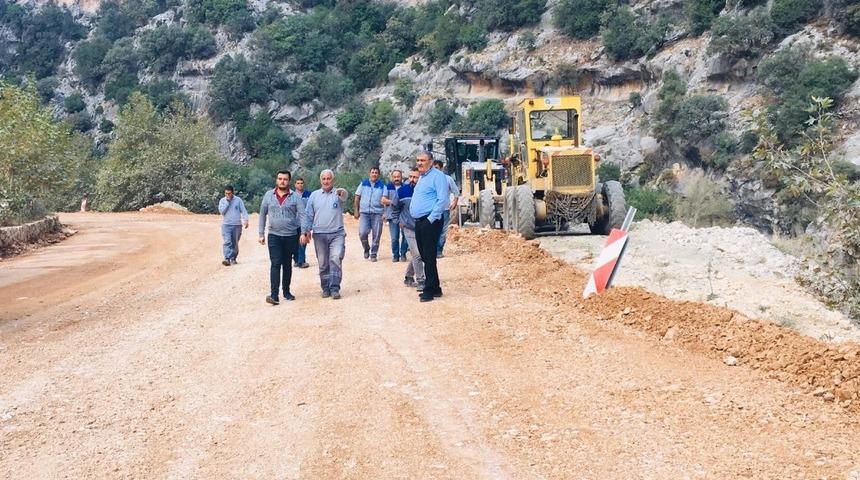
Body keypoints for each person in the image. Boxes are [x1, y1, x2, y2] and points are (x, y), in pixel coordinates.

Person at [259, 170, 304, 305]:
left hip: (291, 236)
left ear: (289, 181)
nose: (282, 181)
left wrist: (304, 232)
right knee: (275, 263)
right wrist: (261, 233)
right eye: (280, 179)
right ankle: (274, 295)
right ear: (276, 180)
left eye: (285, 179)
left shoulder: (295, 197)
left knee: (287, 264)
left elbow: (302, 215)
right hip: (274, 235)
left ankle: (286, 291)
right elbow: (262, 214)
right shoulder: (268, 195)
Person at [302, 169, 348, 300]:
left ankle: (335, 288)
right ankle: (325, 288)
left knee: (336, 258)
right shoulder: (314, 195)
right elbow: (308, 214)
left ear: (333, 180)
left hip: (337, 234)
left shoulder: (338, 194)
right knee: (323, 263)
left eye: (329, 179)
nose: (326, 181)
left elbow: (344, 195)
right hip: (319, 235)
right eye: (324, 179)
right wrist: (306, 231)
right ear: (320, 180)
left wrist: (342, 192)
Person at [410, 152, 449, 302]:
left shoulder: (438, 176)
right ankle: (436, 288)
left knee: (429, 255)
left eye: (423, 160)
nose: (419, 163)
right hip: (420, 221)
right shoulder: (422, 177)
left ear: (431, 162)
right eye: (418, 160)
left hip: (430, 221)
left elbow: (442, 199)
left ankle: (428, 291)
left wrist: (430, 219)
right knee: (425, 255)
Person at [392, 168, 425, 290]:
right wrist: (398, 221)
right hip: (408, 228)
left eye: (415, 177)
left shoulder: (425, 191)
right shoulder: (402, 191)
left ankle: (409, 276)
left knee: (420, 253)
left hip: (423, 227)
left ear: (420, 178)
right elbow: (394, 207)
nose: (412, 179)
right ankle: (421, 281)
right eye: (410, 176)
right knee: (417, 254)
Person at [353, 166, 388, 262]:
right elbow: (357, 197)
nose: (374, 174)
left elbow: (384, 200)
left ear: (378, 175)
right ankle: (366, 248)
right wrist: (356, 210)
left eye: (376, 173)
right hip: (364, 213)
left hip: (377, 213)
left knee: (376, 235)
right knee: (362, 233)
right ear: (369, 173)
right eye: (372, 172)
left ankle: (373, 254)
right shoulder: (363, 183)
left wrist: (385, 213)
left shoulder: (383, 186)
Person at [433, 159, 460, 258]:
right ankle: (432, 250)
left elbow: (456, 191)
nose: (435, 170)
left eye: (436, 168)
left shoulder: (448, 179)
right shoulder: (429, 179)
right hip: (431, 209)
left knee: (442, 231)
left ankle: (439, 251)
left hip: (444, 209)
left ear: (441, 168)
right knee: (432, 230)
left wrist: (455, 202)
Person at [218, 185, 249, 266]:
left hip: (237, 225)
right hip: (226, 225)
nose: (227, 195)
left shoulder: (238, 200)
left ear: (232, 193)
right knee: (227, 242)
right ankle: (226, 258)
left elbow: (243, 211)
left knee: (235, 243)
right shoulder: (222, 201)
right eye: (226, 193)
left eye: (229, 193)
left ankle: (233, 258)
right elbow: (222, 212)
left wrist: (246, 220)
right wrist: (227, 203)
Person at [382, 169, 408, 263]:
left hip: (404, 215)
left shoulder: (406, 187)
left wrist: (390, 202)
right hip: (391, 215)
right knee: (394, 238)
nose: (396, 178)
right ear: (392, 177)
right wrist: (396, 202)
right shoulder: (387, 187)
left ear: (401, 177)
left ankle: (403, 253)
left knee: (406, 236)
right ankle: (396, 255)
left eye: (398, 177)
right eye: (395, 177)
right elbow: (383, 200)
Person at [293, 177, 312, 269]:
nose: (300, 185)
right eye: (298, 183)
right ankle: (296, 260)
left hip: (304, 222)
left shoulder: (309, 195)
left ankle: (301, 261)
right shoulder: (291, 195)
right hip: (293, 223)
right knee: (294, 243)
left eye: (301, 183)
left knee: (303, 241)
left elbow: (311, 208)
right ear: (295, 184)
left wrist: (310, 225)